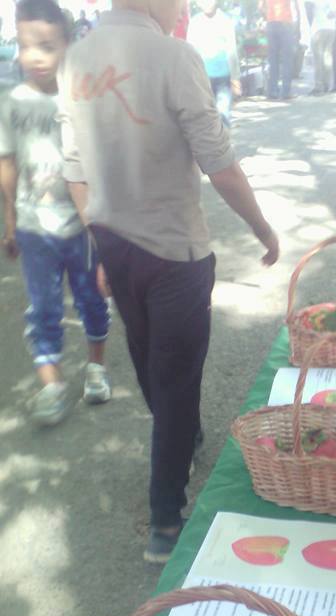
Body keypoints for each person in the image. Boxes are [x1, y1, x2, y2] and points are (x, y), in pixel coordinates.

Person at [58, 0, 279, 564]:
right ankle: (164, 520)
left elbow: (74, 167)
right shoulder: (175, 56)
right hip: (174, 250)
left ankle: (180, 439)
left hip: (114, 243)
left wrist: (100, 233)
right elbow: (219, 162)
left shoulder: (75, 59)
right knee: (176, 377)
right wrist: (263, 229)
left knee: (151, 359)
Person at [0, 0, 111, 427]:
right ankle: (52, 386)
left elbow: (101, 161)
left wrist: (105, 224)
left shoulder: (83, 97)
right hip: (33, 228)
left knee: (92, 300)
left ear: (67, 44)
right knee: (42, 308)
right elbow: (7, 164)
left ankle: (96, 369)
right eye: (27, 46)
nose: (36, 57)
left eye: (47, 45)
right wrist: (9, 221)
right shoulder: (12, 103)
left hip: (82, 227)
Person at [187, 0, 241, 125]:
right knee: (205, 117)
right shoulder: (195, 23)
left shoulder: (225, 21)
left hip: (223, 77)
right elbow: (190, 52)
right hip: (202, 78)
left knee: (223, 115)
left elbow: (231, 50)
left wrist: (235, 78)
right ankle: (212, 143)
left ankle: (224, 141)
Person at [264, 0, 300, 100]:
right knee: (287, 59)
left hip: (271, 23)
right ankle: (285, 92)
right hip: (285, 22)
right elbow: (296, 6)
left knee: (273, 59)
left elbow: (260, 7)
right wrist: (298, 26)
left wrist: (268, 16)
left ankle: (272, 91)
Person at [310, 0, 335, 94]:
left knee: (318, 59)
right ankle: (326, 84)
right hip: (331, 28)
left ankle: (318, 86)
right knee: (327, 58)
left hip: (319, 28)